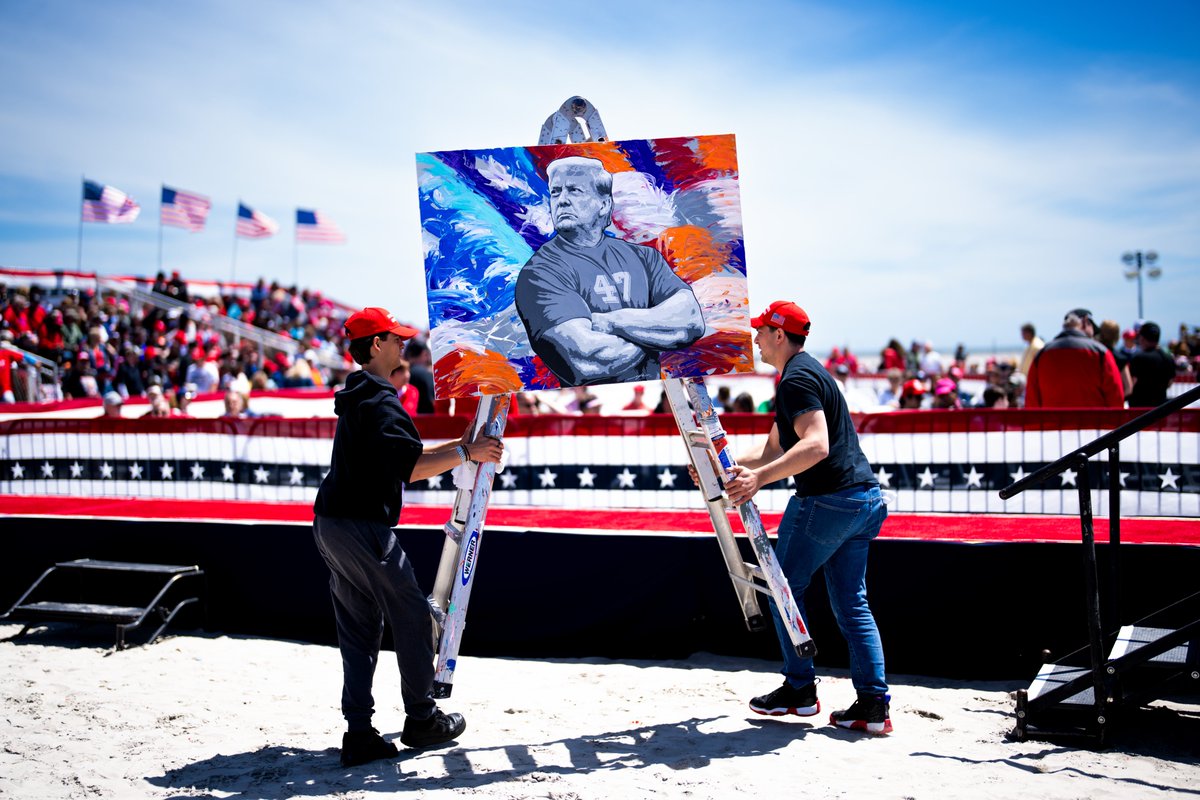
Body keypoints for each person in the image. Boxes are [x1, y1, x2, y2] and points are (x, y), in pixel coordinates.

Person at [312, 306, 503, 767]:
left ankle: (359, 733)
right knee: (414, 617)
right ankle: (422, 719)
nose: (403, 345)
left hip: (331, 522)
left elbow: (407, 455)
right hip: (361, 525)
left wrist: (462, 448)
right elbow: (413, 468)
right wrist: (466, 452)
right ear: (376, 345)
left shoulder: (360, 394)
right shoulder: (380, 398)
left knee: (360, 629)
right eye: (395, 339)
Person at [713, 300, 891, 734]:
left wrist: (758, 481)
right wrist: (724, 467)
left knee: (782, 590)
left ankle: (800, 690)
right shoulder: (806, 372)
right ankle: (873, 704)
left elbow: (815, 446)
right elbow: (775, 448)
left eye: (761, 331)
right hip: (863, 499)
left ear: (779, 335)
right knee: (852, 603)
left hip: (829, 501)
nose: (754, 338)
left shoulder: (796, 379)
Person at [514, 156, 704, 386]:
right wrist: (659, 332)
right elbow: (588, 359)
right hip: (589, 409)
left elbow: (691, 321)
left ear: (604, 204)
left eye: (574, 190)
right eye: (556, 192)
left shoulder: (644, 258)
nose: (561, 200)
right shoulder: (540, 273)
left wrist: (611, 322)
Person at [1025, 308, 1124, 408]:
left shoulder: (1042, 355)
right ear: (1085, 322)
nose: (1093, 334)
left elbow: (1031, 402)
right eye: (1092, 327)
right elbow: (1116, 399)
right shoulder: (1101, 353)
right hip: (1093, 423)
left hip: (1053, 423)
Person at [1126, 321, 1175, 407]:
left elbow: (1131, 383)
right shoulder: (1168, 358)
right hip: (1160, 408)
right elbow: (1170, 382)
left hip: (1139, 410)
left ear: (1142, 338)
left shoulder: (1138, 358)